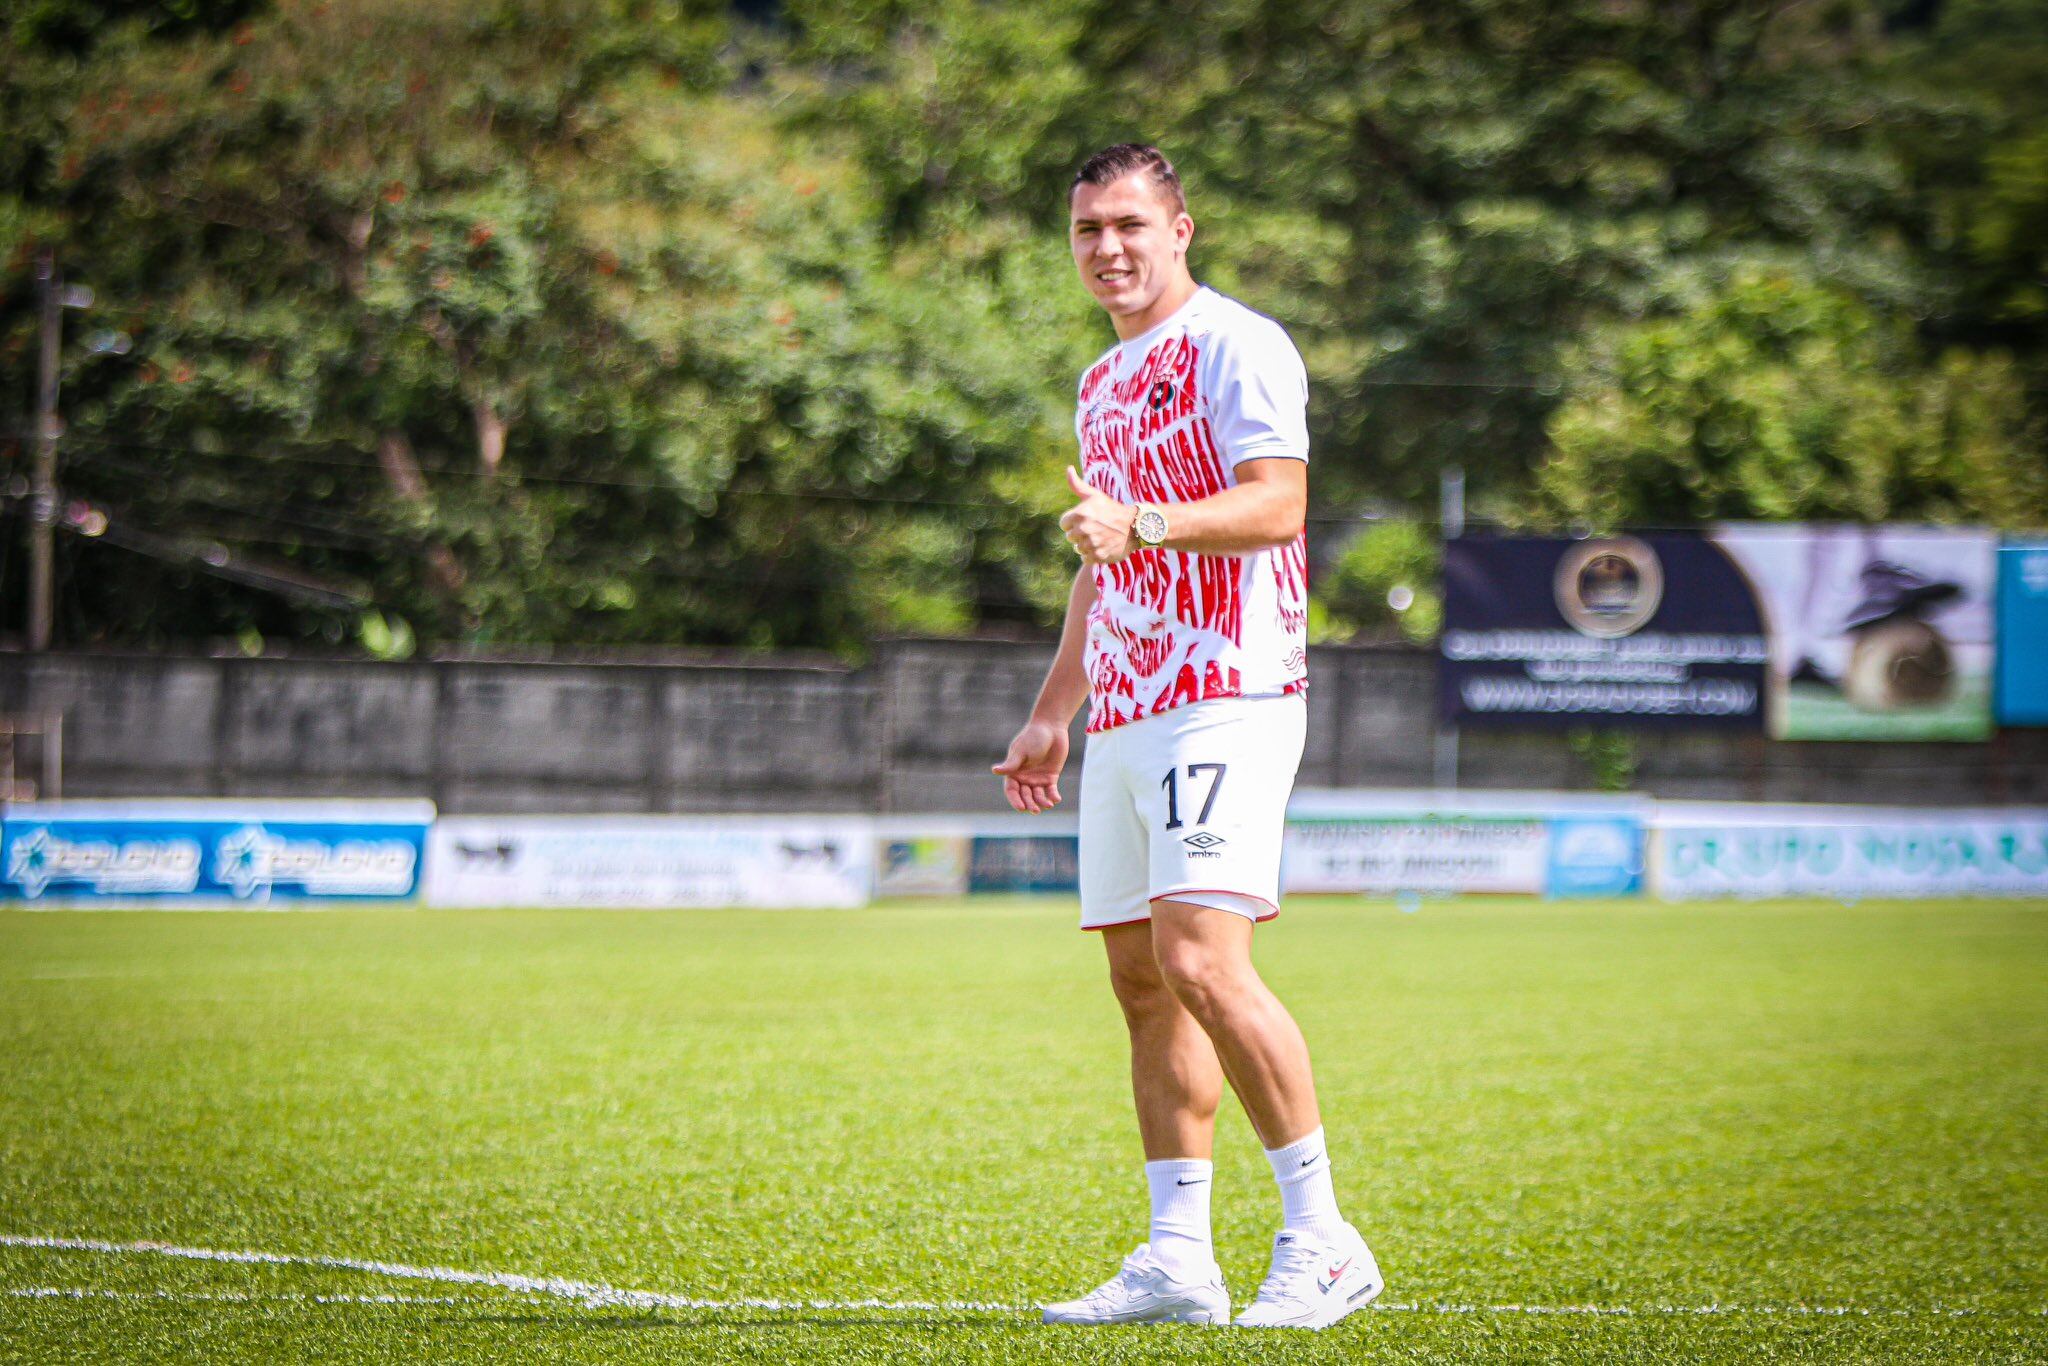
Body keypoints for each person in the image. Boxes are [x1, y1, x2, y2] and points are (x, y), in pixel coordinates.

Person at [993, 143, 1383, 1330]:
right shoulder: (1099, 382)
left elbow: (1280, 503)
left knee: (1205, 960)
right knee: (1141, 980)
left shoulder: (1239, 344)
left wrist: (1144, 521)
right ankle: (1177, 1259)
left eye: (1126, 224)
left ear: (1180, 230)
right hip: (1121, 706)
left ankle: (1322, 1242)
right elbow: (1098, 566)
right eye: (1085, 231)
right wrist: (1052, 710)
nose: (1106, 248)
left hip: (1228, 688)